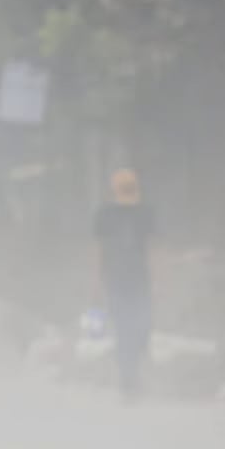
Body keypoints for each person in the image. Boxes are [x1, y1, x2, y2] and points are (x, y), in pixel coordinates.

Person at [94, 168, 155, 401]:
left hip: (137, 279)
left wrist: (159, 279)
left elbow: (151, 248)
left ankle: (134, 377)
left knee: (140, 328)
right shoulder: (105, 215)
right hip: (118, 280)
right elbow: (98, 250)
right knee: (124, 330)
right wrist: (97, 282)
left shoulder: (144, 213)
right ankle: (128, 383)